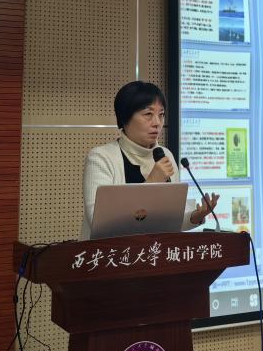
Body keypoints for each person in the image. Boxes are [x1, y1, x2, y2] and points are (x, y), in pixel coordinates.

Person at [81, 81, 219, 239]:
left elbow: (169, 220)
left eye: (161, 114)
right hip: (111, 252)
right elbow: (99, 223)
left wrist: (195, 216)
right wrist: (152, 181)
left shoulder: (165, 155)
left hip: (154, 251)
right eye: (148, 114)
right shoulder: (101, 158)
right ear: (125, 117)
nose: (157, 123)